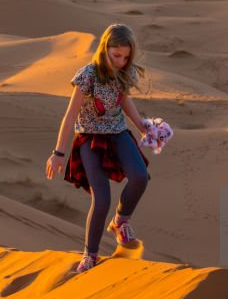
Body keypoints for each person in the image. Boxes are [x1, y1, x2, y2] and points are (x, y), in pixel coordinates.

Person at [45, 24, 152, 273]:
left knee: (140, 177)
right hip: (90, 140)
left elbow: (123, 99)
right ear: (104, 49)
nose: (121, 62)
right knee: (101, 199)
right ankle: (90, 254)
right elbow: (70, 116)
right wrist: (58, 153)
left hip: (117, 134)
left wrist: (142, 125)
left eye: (126, 57)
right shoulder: (88, 75)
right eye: (117, 56)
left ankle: (120, 221)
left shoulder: (125, 73)